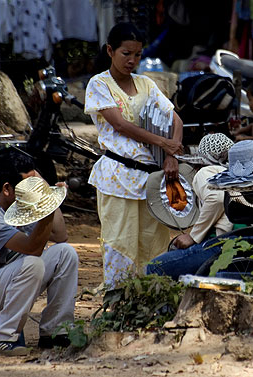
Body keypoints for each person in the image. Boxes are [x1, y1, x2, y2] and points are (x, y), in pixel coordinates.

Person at [84, 22, 184, 289]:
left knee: (155, 242)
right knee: (120, 244)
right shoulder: (98, 84)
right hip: (117, 177)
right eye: (126, 53)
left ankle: (151, 307)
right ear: (110, 50)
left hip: (152, 179)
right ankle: (118, 308)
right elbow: (120, 125)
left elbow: (175, 119)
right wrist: (164, 143)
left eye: (137, 54)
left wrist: (171, 155)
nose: (132, 60)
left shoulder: (146, 83)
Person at [0, 154, 78, 356]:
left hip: (3, 283)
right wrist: (48, 203)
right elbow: (33, 249)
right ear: (7, 189)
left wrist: (49, 196)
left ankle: (55, 332)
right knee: (33, 263)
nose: (35, 191)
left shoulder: (17, 206)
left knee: (65, 253)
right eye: (30, 186)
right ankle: (3, 339)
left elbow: (60, 236)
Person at [146, 133, 235, 278]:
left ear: (200, 162)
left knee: (154, 267)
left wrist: (193, 236)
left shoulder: (206, 172)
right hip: (241, 238)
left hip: (220, 243)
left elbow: (217, 199)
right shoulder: (238, 173)